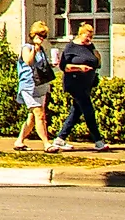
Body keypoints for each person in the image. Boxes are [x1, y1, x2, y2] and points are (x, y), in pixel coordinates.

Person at [52, 23, 106, 151]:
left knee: (76, 111)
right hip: (75, 83)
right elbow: (63, 67)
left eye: (91, 37)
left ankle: (60, 139)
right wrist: (79, 68)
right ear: (80, 34)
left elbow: (95, 61)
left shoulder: (90, 46)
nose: (89, 39)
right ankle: (98, 141)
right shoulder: (71, 47)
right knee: (88, 111)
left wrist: (98, 58)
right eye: (87, 36)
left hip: (87, 84)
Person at [12, 24, 57, 152]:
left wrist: (52, 65)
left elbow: (41, 67)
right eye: (39, 35)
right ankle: (46, 143)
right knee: (40, 114)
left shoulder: (41, 50)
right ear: (33, 35)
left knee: (32, 116)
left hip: (40, 85)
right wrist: (36, 48)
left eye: (44, 36)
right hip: (28, 85)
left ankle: (19, 140)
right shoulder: (27, 48)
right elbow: (29, 61)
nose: (42, 38)